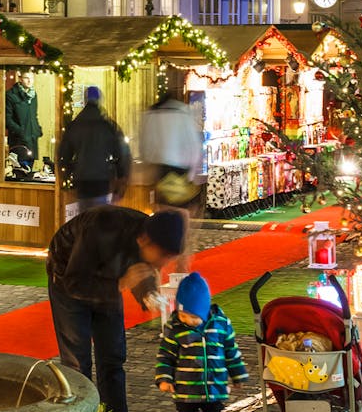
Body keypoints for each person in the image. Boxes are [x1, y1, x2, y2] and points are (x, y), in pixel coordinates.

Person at [46, 206, 186, 412]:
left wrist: (147, 293)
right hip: (68, 277)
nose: (163, 263)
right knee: (77, 362)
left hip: (109, 281)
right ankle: (81, 409)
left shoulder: (149, 233)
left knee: (113, 356)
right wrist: (120, 284)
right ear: (145, 241)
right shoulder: (100, 229)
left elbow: (141, 269)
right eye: (164, 255)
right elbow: (75, 283)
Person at [156, 272, 248, 412]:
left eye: (193, 316)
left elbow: (231, 351)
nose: (187, 320)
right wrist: (164, 378)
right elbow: (165, 355)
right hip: (185, 392)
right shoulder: (174, 327)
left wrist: (238, 374)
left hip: (214, 390)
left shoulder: (221, 324)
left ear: (204, 310)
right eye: (183, 315)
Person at [140, 92, 203, 270]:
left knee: (161, 222)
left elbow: (146, 147)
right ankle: (182, 269)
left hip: (160, 172)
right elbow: (193, 147)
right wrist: (193, 175)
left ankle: (157, 270)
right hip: (181, 172)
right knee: (182, 225)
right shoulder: (183, 113)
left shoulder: (151, 114)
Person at [57, 86, 131, 211]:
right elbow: (122, 154)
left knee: (84, 219)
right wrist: (121, 182)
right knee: (100, 219)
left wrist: (67, 179)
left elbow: (63, 156)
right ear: (99, 100)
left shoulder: (74, 125)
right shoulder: (108, 126)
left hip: (81, 181)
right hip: (102, 180)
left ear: (85, 100)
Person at [5, 72, 42, 167]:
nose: (30, 81)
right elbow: (7, 119)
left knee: (30, 172)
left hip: (32, 140)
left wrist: (37, 129)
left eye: (32, 78)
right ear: (20, 78)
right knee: (20, 173)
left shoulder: (33, 95)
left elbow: (34, 115)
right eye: (26, 78)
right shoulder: (11, 95)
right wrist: (21, 131)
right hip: (18, 141)